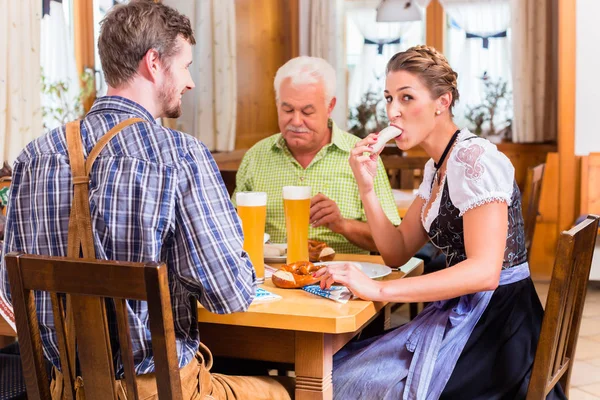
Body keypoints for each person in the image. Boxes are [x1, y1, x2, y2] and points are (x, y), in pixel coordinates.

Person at [0, 1, 292, 399]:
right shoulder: (179, 155)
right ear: (153, 63)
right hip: (160, 391)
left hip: (62, 390)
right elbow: (230, 295)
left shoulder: (33, 156)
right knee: (284, 389)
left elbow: (12, 295)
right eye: (186, 66)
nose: (189, 82)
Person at [315, 45, 566, 399]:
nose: (393, 112)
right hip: (467, 309)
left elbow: (484, 272)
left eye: (406, 97)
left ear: (442, 102)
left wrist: (380, 289)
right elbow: (396, 251)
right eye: (388, 98)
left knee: (345, 381)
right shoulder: (438, 167)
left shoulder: (473, 159)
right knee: (337, 372)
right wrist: (366, 187)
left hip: (499, 329)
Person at [233, 56, 400, 254]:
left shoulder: (362, 156)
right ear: (277, 104)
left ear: (330, 106)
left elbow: (393, 242)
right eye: (287, 109)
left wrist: (342, 225)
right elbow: (232, 229)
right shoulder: (256, 157)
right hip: (273, 278)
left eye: (307, 112)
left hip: (343, 278)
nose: (296, 121)